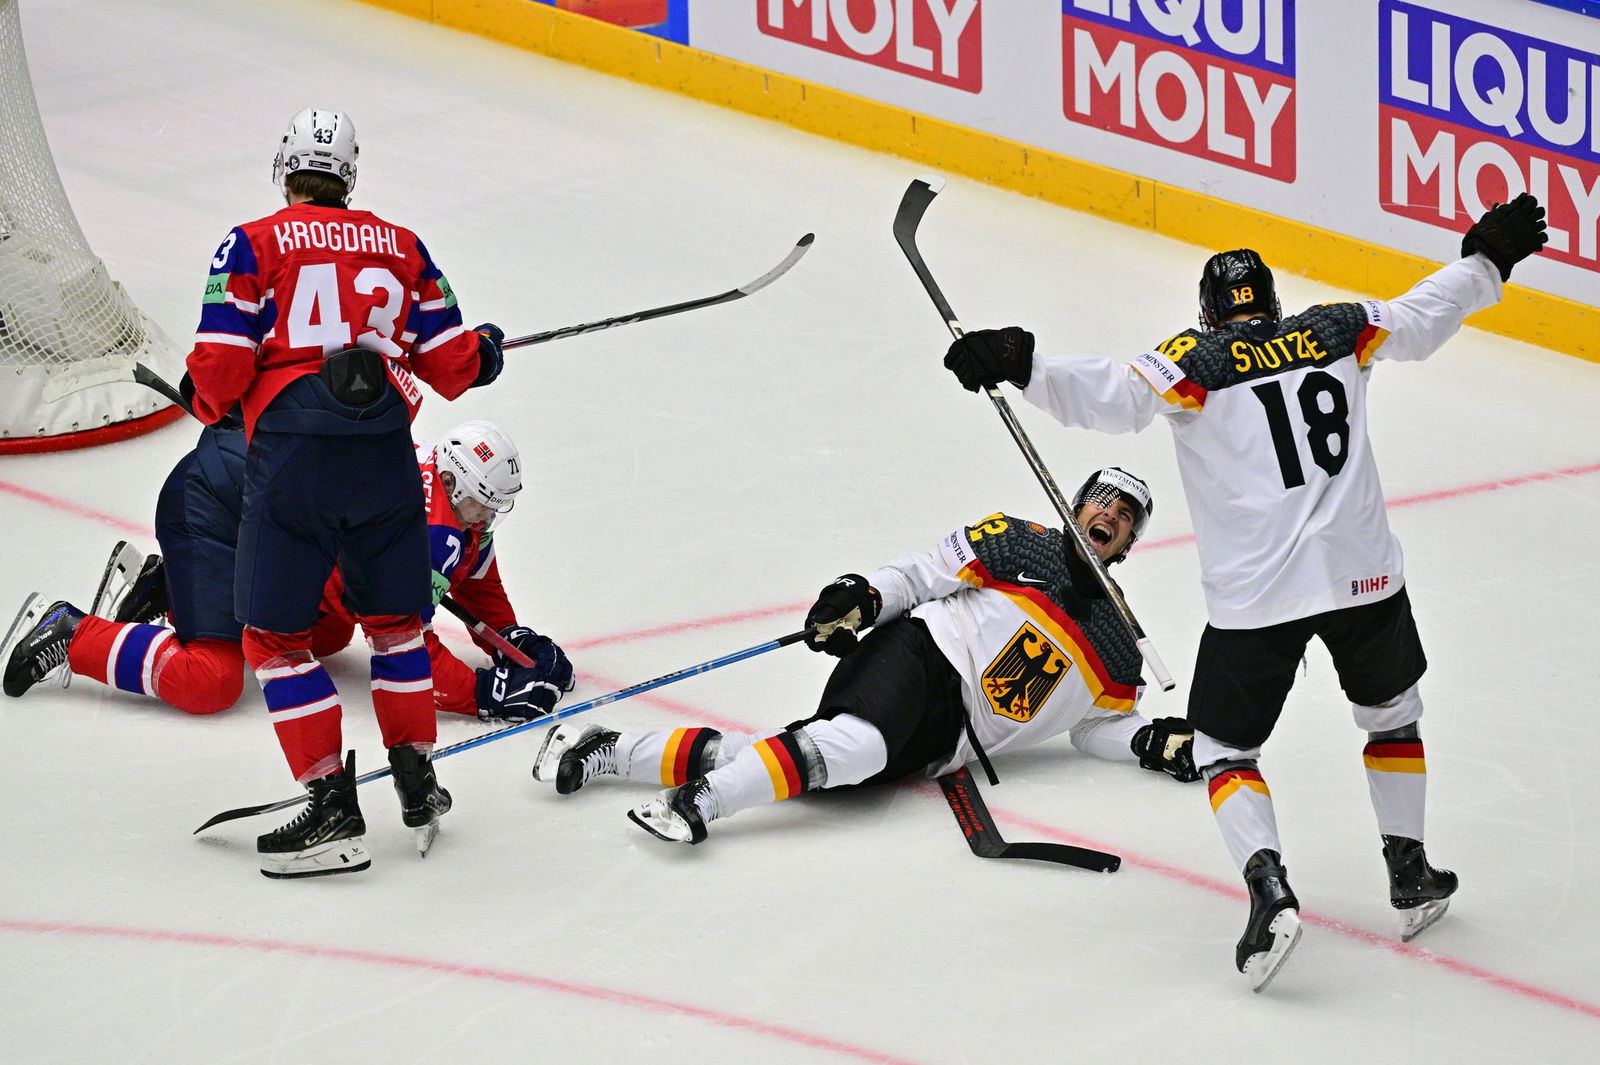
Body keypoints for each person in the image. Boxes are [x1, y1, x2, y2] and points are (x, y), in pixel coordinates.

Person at [942, 195, 1549, 989]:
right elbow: (1422, 314)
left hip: (1259, 595)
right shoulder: (1337, 329)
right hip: (1364, 576)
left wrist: (1022, 363)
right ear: (1272, 302)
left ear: (1209, 311)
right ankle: (1410, 869)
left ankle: (1269, 889)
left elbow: (1113, 393)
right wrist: (1485, 262)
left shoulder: (1193, 362)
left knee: (1226, 751)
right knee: (1393, 715)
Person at [531, 468, 1200, 846]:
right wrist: (866, 596)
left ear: (1128, 543)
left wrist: (1148, 741)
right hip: (919, 656)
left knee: (809, 760)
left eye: (1126, 515)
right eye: (1102, 501)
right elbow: (920, 575)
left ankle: (613, 749)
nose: (1111, 514)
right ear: (1075, 506)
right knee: (854, 747)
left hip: (947, 741)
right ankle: (700, 802)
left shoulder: (1121, 642)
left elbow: (1096, 726)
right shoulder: (1018, 543)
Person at [184, 106, 506, 878]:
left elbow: (220, 369)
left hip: (295, 459)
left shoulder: (251, 242)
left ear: (286, 169)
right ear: (350, 174)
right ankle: (418, 781)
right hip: (385, 458)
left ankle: (331, 802)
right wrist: (487, 351)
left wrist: (204, 400)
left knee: (273, 640)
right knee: (395, 627)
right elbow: (452, 365)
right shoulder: (403, 246)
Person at [2, 421, 572, 726]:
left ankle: (173, 587)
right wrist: (482, 692)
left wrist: (511, 638)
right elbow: (403, 645)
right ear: (449, 482)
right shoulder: (421, 530)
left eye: (494, 508)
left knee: (325, 635)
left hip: (271, 521)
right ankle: (71, 631)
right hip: (218, 509)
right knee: (211, 680)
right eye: (480, 505)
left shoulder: (453, 510)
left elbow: (476, 578)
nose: (486, 519)